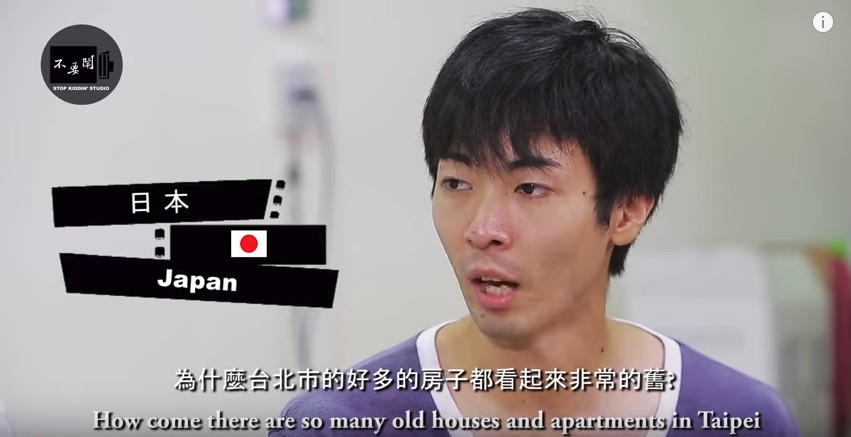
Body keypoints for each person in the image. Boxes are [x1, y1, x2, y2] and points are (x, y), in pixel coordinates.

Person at [269, 8, 800, 436]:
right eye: (457, 183)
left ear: (627, 211)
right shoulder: (339, 422)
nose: (483, 229)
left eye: (530, 189)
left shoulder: (737, 418)